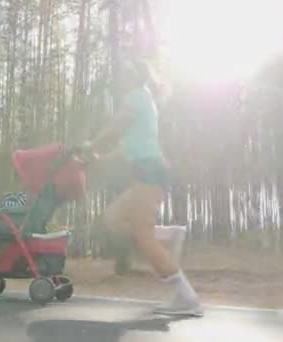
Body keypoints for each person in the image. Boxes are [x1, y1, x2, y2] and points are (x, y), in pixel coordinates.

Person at [81, 59, 203, 317]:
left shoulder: (136, 97)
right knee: (112, 218)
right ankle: (169, 234)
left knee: (143, 237)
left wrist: (92, 144)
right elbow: (124, 149)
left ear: (133, 77)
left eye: (123, 73)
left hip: (150, 171)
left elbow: (115, 127)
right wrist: (98, 158)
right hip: (146, 171)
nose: (119, 77)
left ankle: (187, 297)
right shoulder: (141, 101)